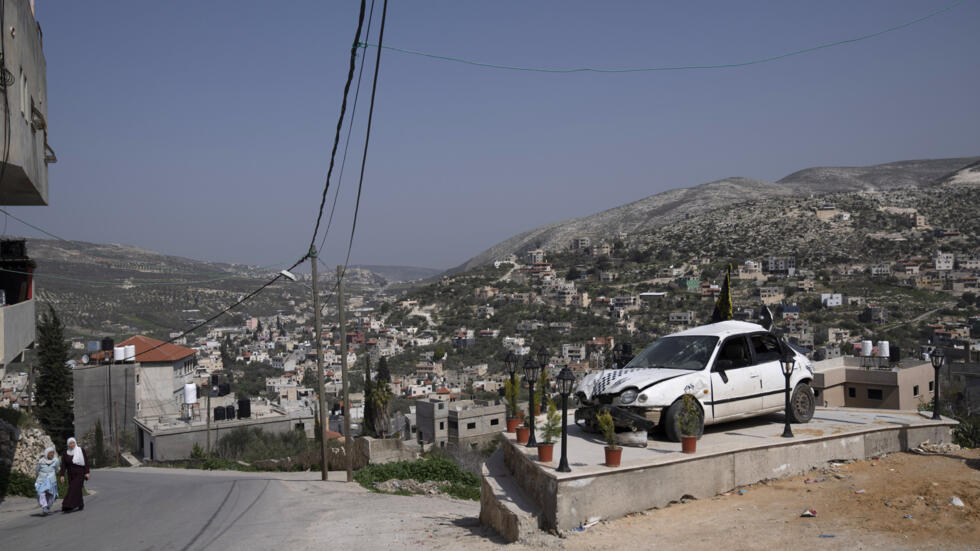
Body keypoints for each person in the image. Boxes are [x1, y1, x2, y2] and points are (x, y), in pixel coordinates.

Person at [58, 437, 90, 513]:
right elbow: (63, 465)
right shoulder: (65, 453)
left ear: (75, 443)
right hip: (70, 475)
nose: (72, 444)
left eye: (73, 443)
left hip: (80, 473)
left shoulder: (80, 450)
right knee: (77, 489)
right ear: (68, 444)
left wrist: (87, 472)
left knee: (72, 489)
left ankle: (67, 505)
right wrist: (62, 475)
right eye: (70, 443)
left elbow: (85, 462)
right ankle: (80, 503)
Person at [34, 447, 60, 516]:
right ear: (46, 454)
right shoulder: (41, 461)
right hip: (42, 480)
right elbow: (37, 470)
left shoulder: (56, 461)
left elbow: (56, 469)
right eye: (50, 453)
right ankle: (44, 507)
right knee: (41, 493)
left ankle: (48, 507)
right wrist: (39, 476)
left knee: (51, 495)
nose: (52, 454)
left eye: (53, 453)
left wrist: (51, 474)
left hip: (51, 480)